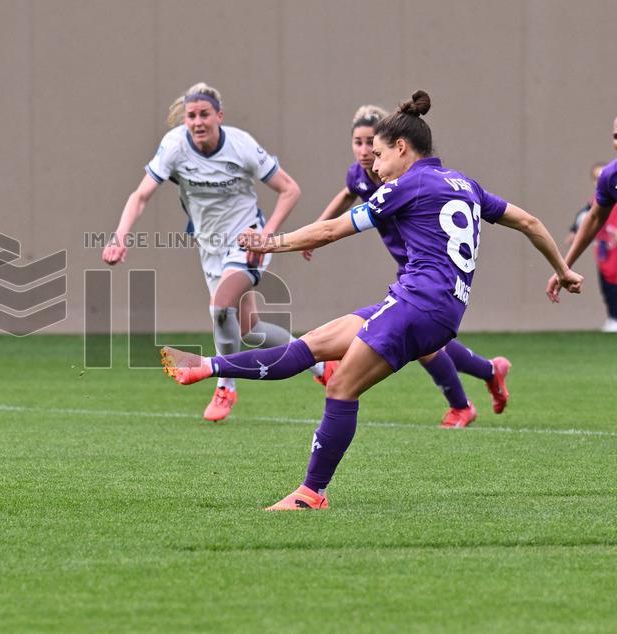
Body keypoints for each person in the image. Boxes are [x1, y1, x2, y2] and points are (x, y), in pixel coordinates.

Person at [163, 91, 582, 509]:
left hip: (417, 306)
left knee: (342, 386)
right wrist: (562, 270)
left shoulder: (406, 185)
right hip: (429, 306)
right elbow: (528, 220)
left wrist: (270, 241)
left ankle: (311, 494)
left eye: (379, 155)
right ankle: (207, 367)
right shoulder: (464, 183)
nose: (375, 166)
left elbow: (330, 232)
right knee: (312, 346)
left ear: (402, 148)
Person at [102, 82, 318, 422]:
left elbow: (290, 190)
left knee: (220, 306)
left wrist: (266, 237)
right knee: (250, 330)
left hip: (248, 239)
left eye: (205, 114)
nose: (198, 121)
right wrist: (119, 236)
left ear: (219, 116)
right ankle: (320, 363)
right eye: (191, 116)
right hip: (210, 245)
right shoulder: (174, 147)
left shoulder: (241, 145)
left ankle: (225, 385)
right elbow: (140, 195)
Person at [301, 105, 510, 427]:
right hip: (409, 266)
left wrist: (299, 237)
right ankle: (489, 371)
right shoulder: (359, 175)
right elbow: (347, 195)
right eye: (357, 142)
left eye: (370, 142)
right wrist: (318, 226)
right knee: (426, 340)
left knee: (424, 343)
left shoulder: (410, 179)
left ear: (396, 145)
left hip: (431, 268)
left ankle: (462, 405)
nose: (364, 151)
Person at [562, 160, 617, 331]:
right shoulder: (597, 199)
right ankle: (613, 317)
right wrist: (573, 231)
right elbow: (589, 216)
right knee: (607, 286)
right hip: (604, 251)